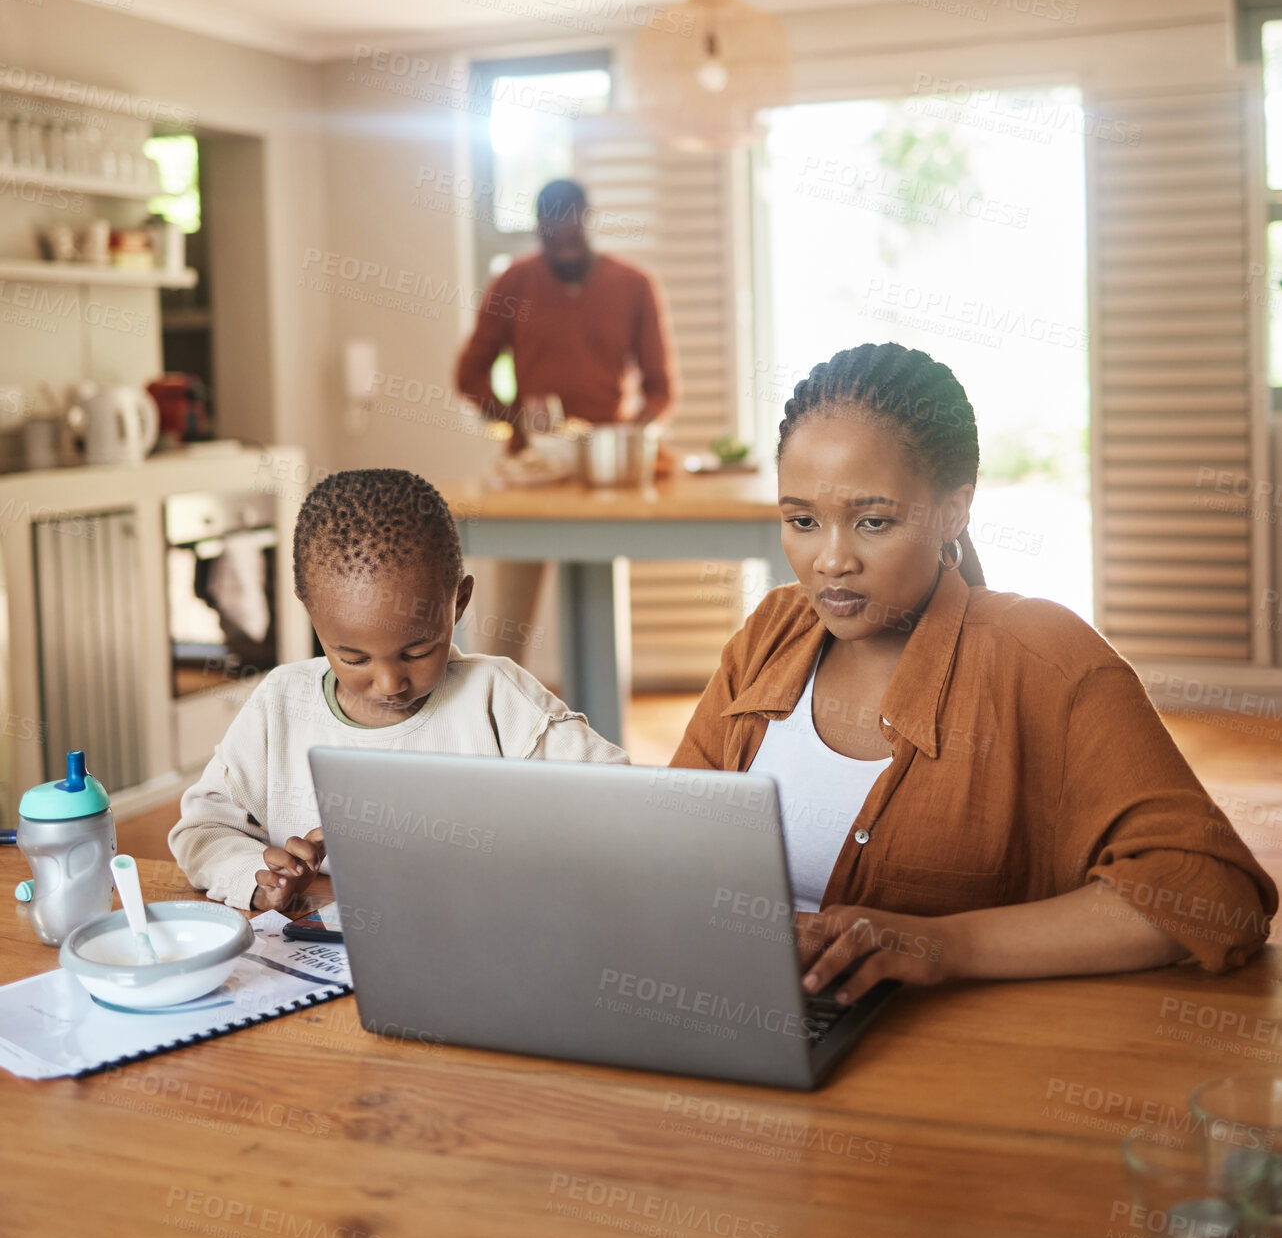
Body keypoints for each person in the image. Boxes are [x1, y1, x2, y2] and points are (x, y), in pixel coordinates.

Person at [671, 342, 1277, 1003]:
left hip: (952, 1065)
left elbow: (1213, 892)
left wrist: (947, 945)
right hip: (737, 1023)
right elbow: (668, 842)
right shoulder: (770, 634)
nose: (831, 560)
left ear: (954, 512)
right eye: (803, 521)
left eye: (873, 521)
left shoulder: (1046, 659)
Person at [170, 469, 627, 912]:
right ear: (311, 612)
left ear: (459, 603)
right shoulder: (279, 705)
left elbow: (622, 802)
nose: (390, 683)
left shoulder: (498, 700)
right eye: (354, 658)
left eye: (417, 651)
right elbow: (202, 830)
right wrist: (258, 878)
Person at [454, 178, 677, 663]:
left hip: (603, 472)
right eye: (552, 231)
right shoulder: (514, 283)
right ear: (538, 227)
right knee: (511, 623)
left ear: (587, 219)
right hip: (531, 470)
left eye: (572, 227)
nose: (564, 240)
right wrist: (515, 417)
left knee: (598, 609)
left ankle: (594, 720)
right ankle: (496, 719)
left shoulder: (633, 285)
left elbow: (660, 388)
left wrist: (631, 433)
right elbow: (469, 374)